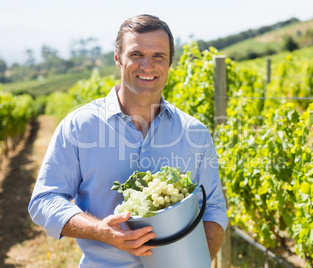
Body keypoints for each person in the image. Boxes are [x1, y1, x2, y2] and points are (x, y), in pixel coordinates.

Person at [28, 14, 228, 268]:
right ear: (118, 59)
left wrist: (197, 261)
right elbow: (44, 200)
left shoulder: (194, 133)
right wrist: (100, 231)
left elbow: (213, 209)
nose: (148, 65)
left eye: (158, 56)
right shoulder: (81, 126)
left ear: (169, 64)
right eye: (136, 54)